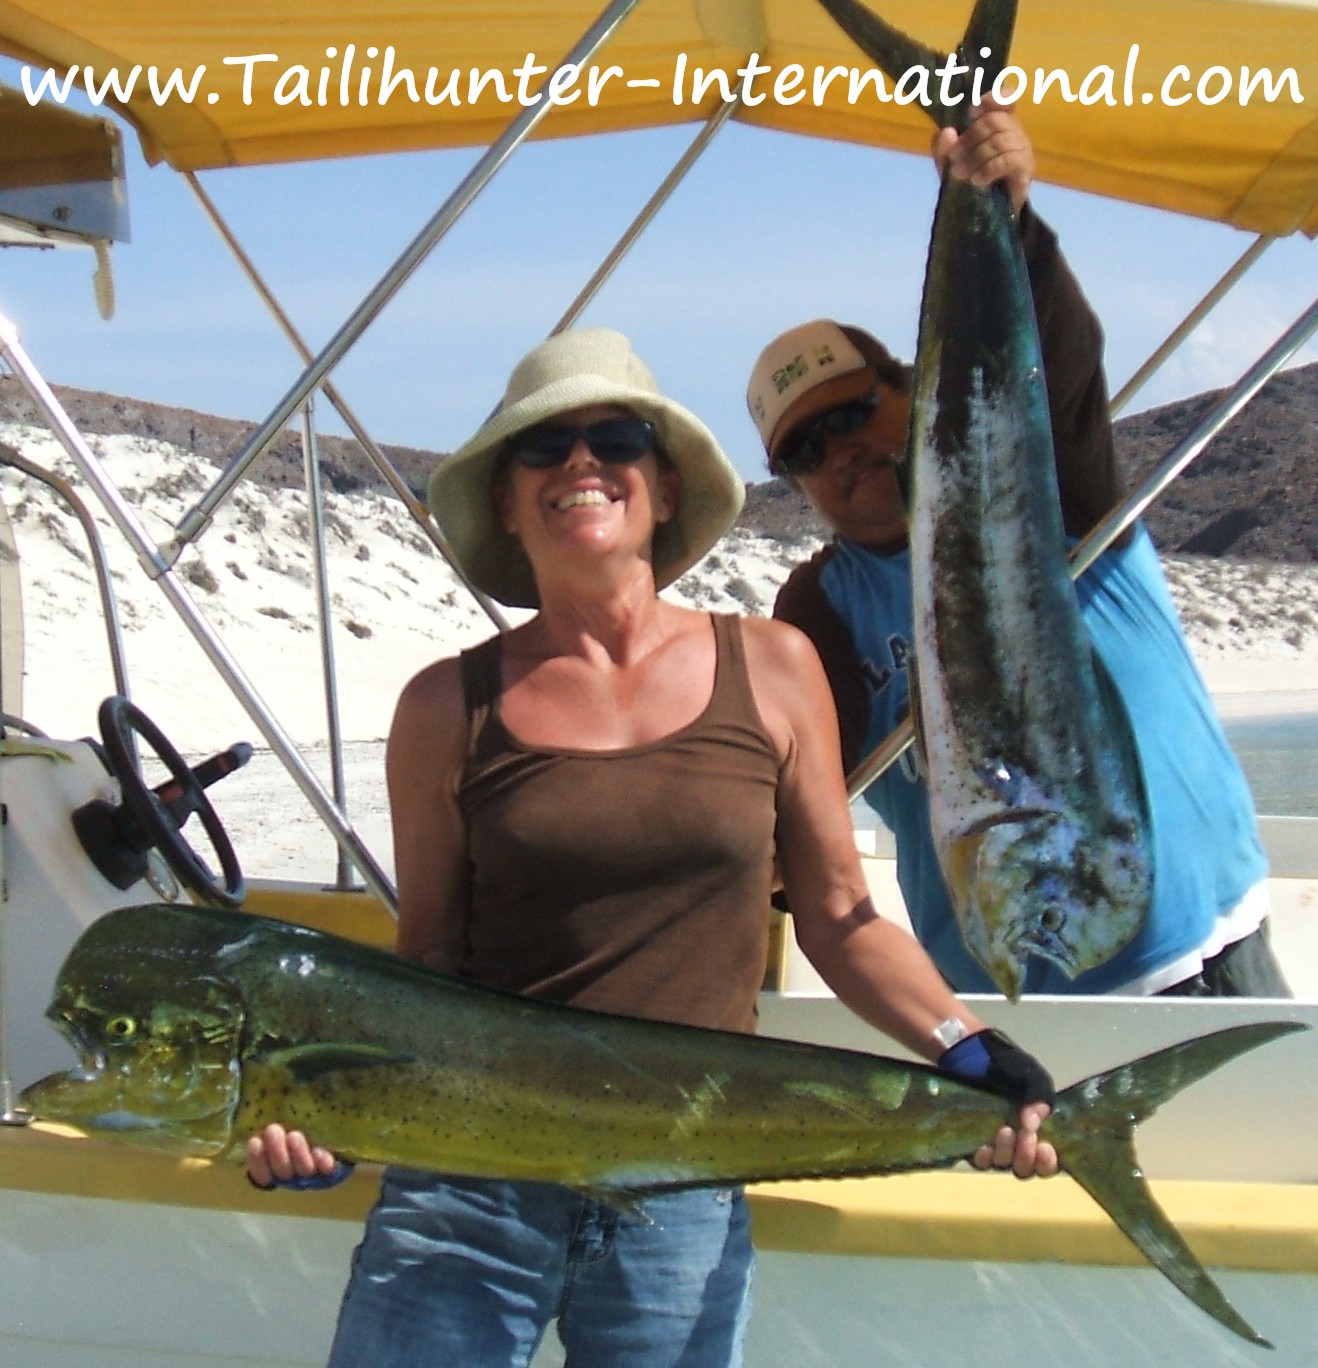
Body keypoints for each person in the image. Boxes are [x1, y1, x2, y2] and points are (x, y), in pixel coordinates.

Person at [246, 326, 1057, 1367]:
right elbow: (429, 965)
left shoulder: (773, 666)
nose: (581, 462)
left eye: (618, 438)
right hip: (469, 1184)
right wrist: (331, 1120)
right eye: (543, 446)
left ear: (665, 489)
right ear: (507, 501)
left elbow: (840, 918)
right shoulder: (445, 706)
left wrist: (969, 1047)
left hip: (683, 1176)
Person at [746, 103, 1291, 1000]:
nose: (841, 450)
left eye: (856, 413)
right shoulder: (818, 613)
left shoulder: (1061, 496)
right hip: (1011, 1013)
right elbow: (790, 794)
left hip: (1212, 957)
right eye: (805, 449)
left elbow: (1061, 373)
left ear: (912, 391)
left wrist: (1008, 212)